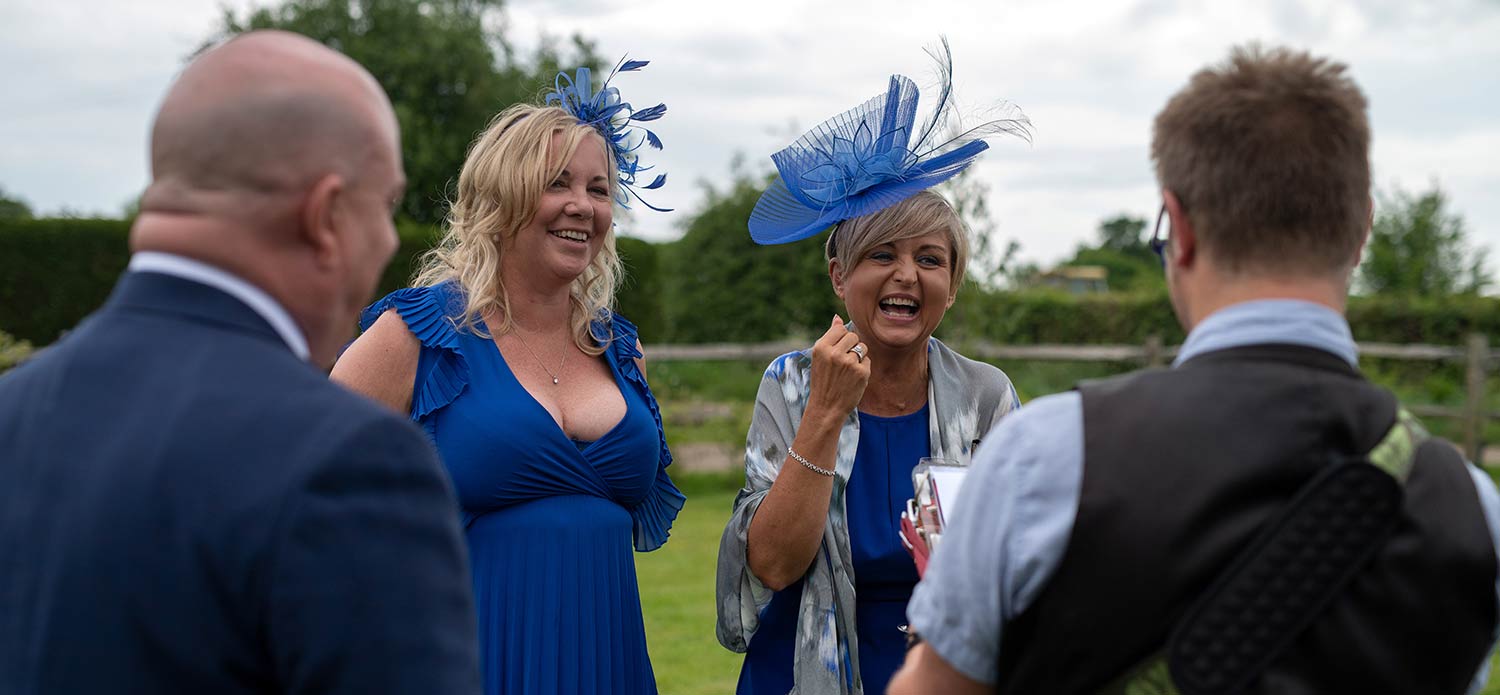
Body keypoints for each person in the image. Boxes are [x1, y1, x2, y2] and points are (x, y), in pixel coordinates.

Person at [891, 45, 1500, 695]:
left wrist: (953, 598)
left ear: (1176, 230)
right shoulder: (1472, 507)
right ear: (1361, 234)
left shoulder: (1044, 457)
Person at [0, 31, 480, 695]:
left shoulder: (13, 411)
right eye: (388, 204)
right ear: (325, 216)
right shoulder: (350, 460)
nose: (393, 239)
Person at [331, 59, 683, 695]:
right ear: (503, 195)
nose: (583, 205)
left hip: (610, 661)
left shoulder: (621, 350)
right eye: (558, 183)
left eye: (600, 190)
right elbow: (303, 496)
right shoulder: (416, 336)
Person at [714, 43, 1028, 695]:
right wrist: (826, 411)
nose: (907, 274)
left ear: (953, 281)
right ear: (840, 275)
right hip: (802, 672)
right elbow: (772, 563)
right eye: (882, 253)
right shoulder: (792, 383)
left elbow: (1016, 562)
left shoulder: (987, 396)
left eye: (931, 259)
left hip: (937, 673)